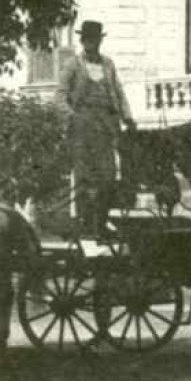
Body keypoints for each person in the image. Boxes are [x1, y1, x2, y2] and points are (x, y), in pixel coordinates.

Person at [59, 19, 134, 234]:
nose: (92, 44)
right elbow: (60, 95)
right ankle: (86, 224)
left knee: (108, 176)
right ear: (83, 41)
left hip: (107, 124)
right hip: (83, 124)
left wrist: (128, 117)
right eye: (88, 40)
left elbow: (119, 92)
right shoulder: (73, 65)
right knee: (85, 177)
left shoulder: (108, 64)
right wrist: (71, 116)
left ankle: (101, 223)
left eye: (95, 40)